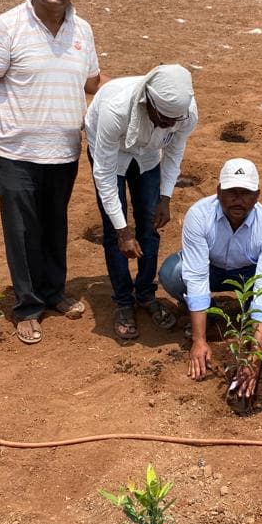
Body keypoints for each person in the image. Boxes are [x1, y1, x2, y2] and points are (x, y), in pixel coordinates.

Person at [0, 0, 101, 345]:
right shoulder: (6, 26)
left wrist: (134, 89)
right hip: (15, 153)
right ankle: (27, 306)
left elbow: (92, 82)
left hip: (64, 152)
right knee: (22, 231)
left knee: (55, 225)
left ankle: (54, 292)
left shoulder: (83, 31)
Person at [159, 158, 262, 398]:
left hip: (248, 273)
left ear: (257, 196)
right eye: (232, 192)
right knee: (171, 273)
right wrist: (199, 341)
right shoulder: (199, 215)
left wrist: (254, 360)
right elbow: (197, 276)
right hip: (210, 269)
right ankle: (208, 313)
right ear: (218, 192)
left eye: (246, 193)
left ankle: (248, 315)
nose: (238, 199)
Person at [86, 64, 198, 342]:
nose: (170, 124)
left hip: (148, 156)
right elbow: (104, 174)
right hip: (111, 153)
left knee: (150, 224)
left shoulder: (186, 112)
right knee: (114, 230)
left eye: (175, 119)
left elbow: (174, 153)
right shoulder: (116, 109)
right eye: (164, 118)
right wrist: (124, 231)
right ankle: (124, 301)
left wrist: (165, 197)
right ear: (147, 102)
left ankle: (146, 294)